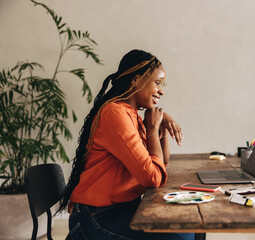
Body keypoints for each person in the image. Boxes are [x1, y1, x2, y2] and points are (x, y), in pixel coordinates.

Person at [58, 49, 194, 240]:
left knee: (189, 226)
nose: (161, 90)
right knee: (182, 235)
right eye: (157, 82)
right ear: (136, 79)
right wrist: (153, 129)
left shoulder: (132, 116)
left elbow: (162, 164)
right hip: (96, 217)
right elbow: (153, 177)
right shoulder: (115, 114)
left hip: (117, 210)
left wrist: (159, 121)